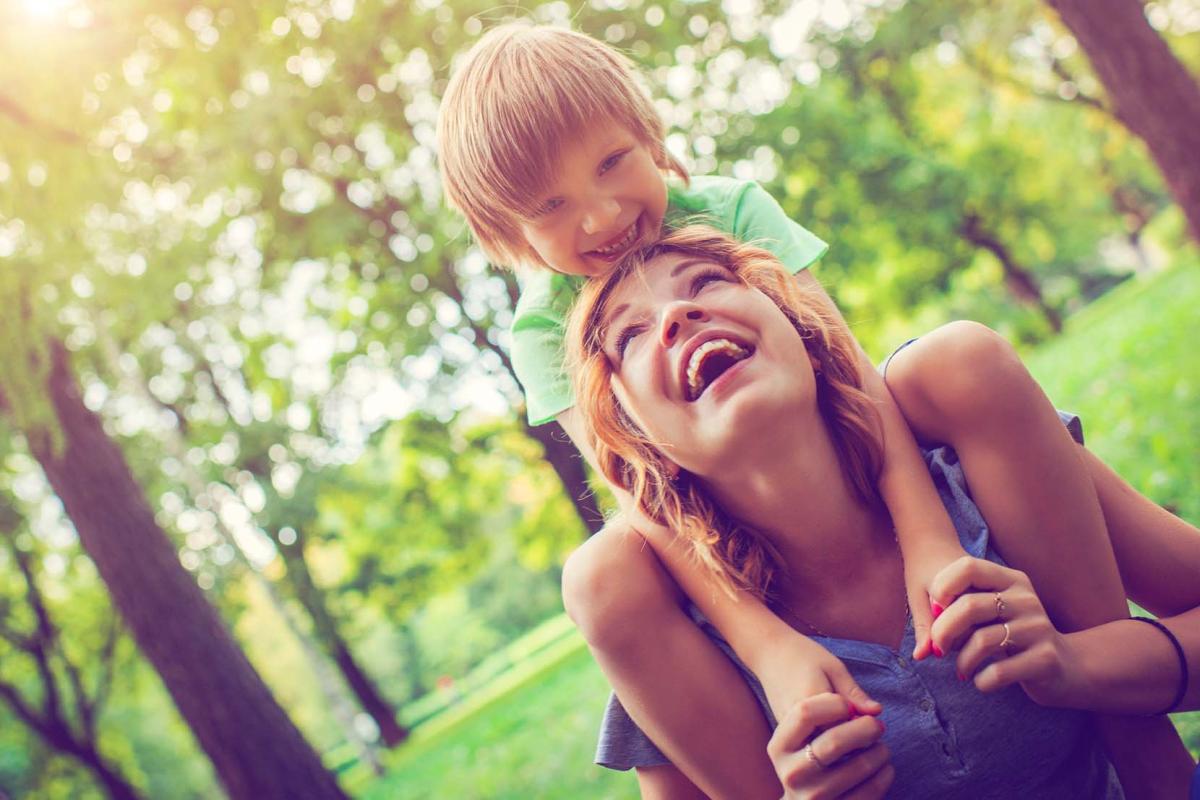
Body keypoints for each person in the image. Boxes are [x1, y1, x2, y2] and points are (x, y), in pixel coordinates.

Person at [435, 22, 1193, 794]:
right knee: (603, 571)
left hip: (883, 467)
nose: (600, 219)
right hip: (724, 565)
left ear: (651, 137)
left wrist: (929, 537)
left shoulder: (728, 208)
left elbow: (850, 371)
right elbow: (643, 499)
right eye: (553, 205)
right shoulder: (544, 332)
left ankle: (1148, 751)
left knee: (950, 362)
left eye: (612, 163)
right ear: (510, 236)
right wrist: (763, 645)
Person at [565, 225, 1200, 798]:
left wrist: (1077, 665)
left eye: (705, 281)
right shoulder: (681, 637)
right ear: (643, 445)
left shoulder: (969, 475)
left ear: (808, 337)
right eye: (632, 334)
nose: (676, 313)